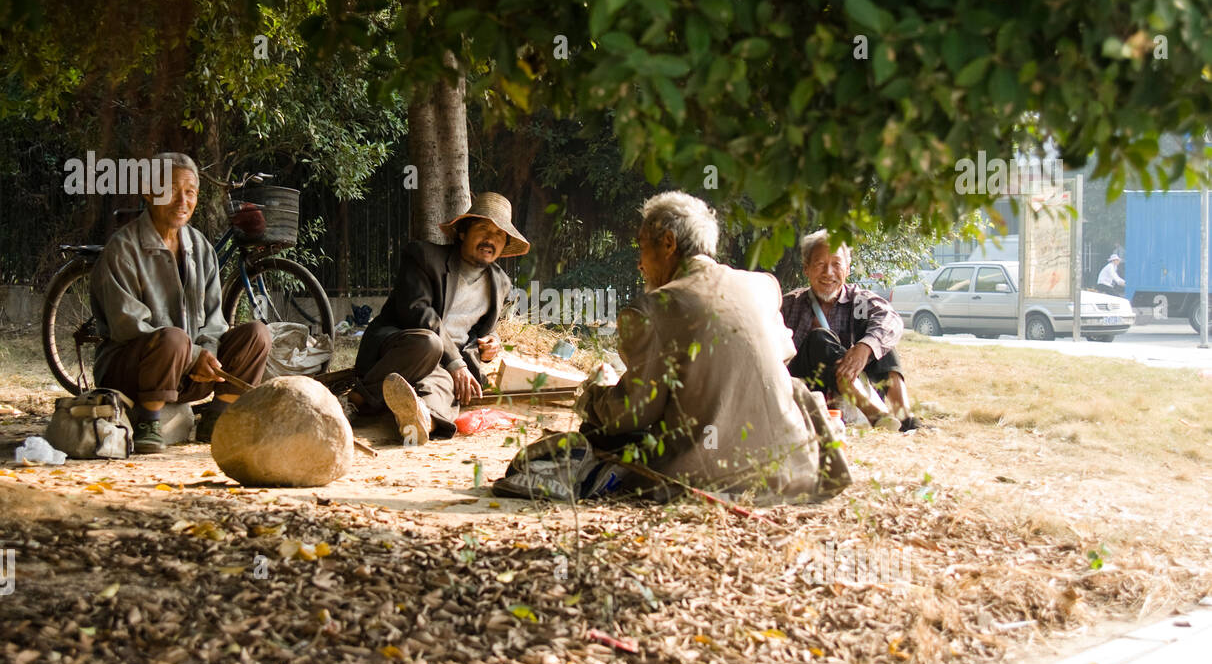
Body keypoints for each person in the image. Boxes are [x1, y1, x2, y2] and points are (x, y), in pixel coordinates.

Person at [575, 192, 848, 503]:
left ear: (668, 243)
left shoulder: (652, 309)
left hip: (704, 480)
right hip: (793, 473)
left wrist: (595, 395)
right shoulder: (762, 287)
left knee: (597, 431)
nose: (639, 263)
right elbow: (781, 354)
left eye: (641, 246)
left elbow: (633, 414)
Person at [90, 152, 272, 453]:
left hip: (189, 373)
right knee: (173, 338)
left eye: (190, 192)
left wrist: (206, 355)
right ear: (148, 192)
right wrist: (192, 355)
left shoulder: (200, 247)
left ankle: (218, 416)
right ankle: (149, 420)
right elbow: (128, 326)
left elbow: (214, 321)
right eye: (171, 190)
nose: (182, 200)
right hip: (131, 374)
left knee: (257, 334)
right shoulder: (122, 249)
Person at [348, 192, 529, 445]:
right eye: (484, 229)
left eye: (500, 234)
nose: (491, 239)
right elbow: (418, 312)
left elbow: (480, 331)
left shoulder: (501, 283)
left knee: (443, 385)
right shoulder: (423, 257)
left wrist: (491, 344)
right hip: (403, 350)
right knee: (429, 344)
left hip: (446, 365)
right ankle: (356, 400)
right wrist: (456, 362)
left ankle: (422, 421)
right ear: (463, 232)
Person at [780, 229, 920, 431]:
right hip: (810, 390)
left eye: (836, 264)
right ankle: (875, 414)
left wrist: (865, 347)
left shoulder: (858, 302)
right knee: (819, 338)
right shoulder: (791, 305)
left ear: (847, 269)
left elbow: (890, 320)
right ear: (806, 269)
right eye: (820, 264)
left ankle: (905, 418)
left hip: (858, 389)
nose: (828, 273)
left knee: (880, 339)